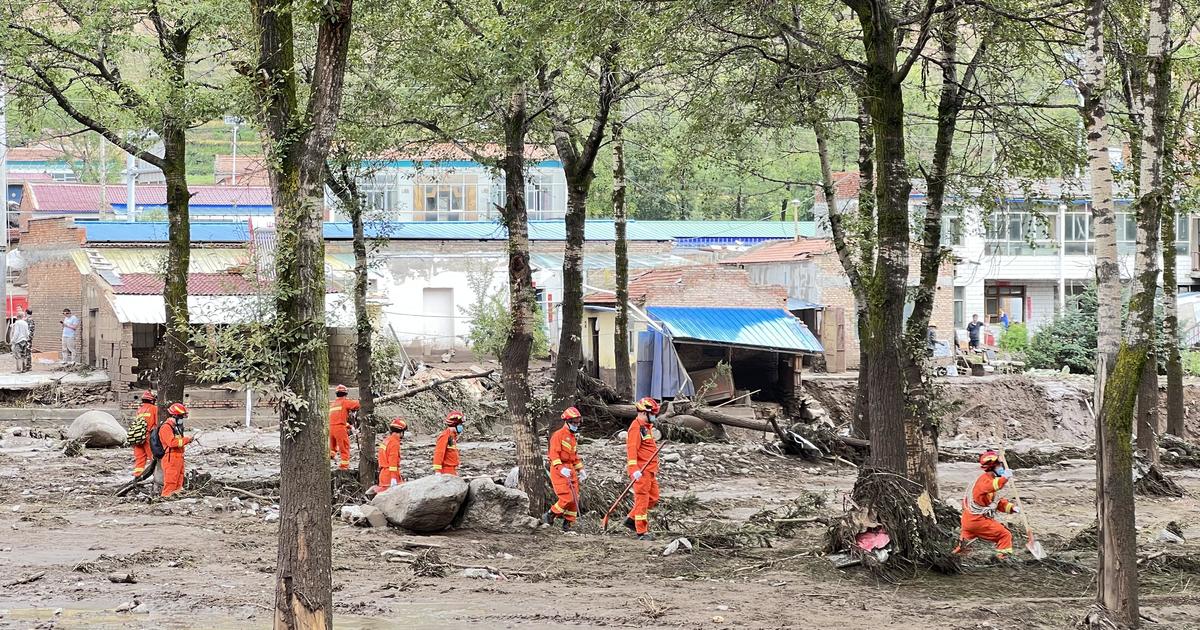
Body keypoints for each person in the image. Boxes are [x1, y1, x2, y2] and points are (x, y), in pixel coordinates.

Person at [956, 449, 1020, 560]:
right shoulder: (984, 481)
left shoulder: (986, 480)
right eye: (1000, 465)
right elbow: (993, 486)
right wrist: (1005, 478)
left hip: (968, 521)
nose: (1001, 467)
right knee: (1004, 535)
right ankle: (1003, 558)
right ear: (993, 466)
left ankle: (954, 559)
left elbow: (996, 503)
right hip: (978, 520)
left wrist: (1012, 508)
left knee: (964, 547)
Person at [542, 406, 587, 531]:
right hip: (559, 471)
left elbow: (575, 457)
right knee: (567, 498)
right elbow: (553, 454)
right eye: (574, 423)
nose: (576, 425)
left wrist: (581, 470)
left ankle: (568, 524)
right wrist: (560, 468)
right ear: (567, 422)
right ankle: (550, 515)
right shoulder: (558, 435)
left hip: (570, 469)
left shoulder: (573, 438)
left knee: (575, 499)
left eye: (578, 423)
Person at [625, 397, 662, 541]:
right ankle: (641, 532)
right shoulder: (635, 427)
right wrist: (634, 469)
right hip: (641, 471)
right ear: (643, 413)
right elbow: (632, 449)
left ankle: (631, 519)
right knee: (642, 500)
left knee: (653, 498)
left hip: (650, 470)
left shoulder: (645, 428)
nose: (654, 416)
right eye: (652, 413)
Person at [158, 402, 193, 497]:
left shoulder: (175, 428)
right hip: (171, 458)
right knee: (171, 482)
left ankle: (175, 498)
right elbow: (172, 443)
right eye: (181, 417)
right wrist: (186, 440)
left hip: (178, 457)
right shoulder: (166, 427)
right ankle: (166, 499)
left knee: (179, 480)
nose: (182, 419)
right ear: (175, 416)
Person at [328, 384, 360, 471]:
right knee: (344, 447)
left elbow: (337, 419)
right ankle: (344, 467)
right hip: (340, 429)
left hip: (331, 428)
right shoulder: (345, 402)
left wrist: (350, 426)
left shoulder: (333, 404)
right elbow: (357, 405)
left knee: (332, 448)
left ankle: (330, 461)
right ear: (346, 394)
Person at [131, 390, 159, 478]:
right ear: (152, 400)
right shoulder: (154, 408)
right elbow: (157, 424)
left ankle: (137, 478)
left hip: (138, 438)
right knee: (153, 458)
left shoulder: (139, 410)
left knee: (139, 460)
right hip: (149, 437)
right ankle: (156, 477)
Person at [376, 417, 407, 491]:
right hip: (390, 477)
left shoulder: (386, 441)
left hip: (383, 475)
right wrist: (393, 478)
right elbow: (393, 462)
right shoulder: (394, 443)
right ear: (401, 432)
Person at [433, 410, 463, 475]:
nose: (461, 426)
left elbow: (450, 452)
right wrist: (437, 471)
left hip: (452, 470)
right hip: (446, 471)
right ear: (455, 424)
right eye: (460, 424)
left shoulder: (452, 436)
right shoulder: (445, 436)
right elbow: (439, 453)